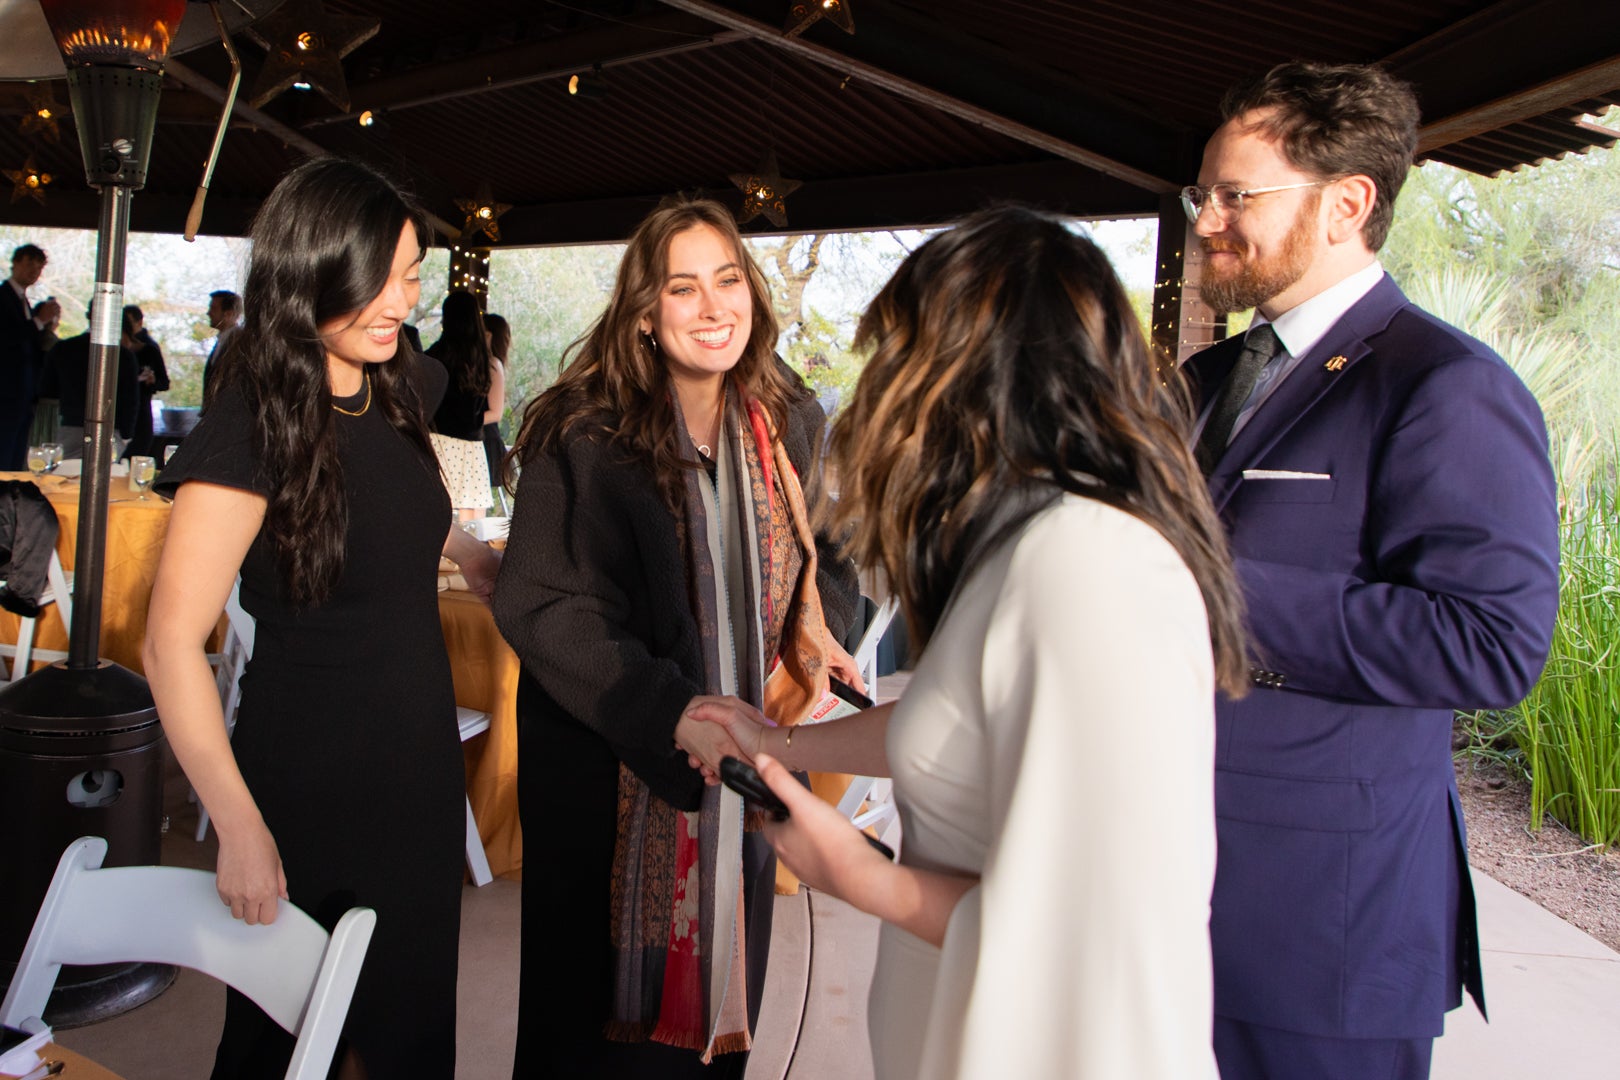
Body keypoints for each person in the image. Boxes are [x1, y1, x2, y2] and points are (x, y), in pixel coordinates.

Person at [694, 206, 1247, 1079]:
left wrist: (863, 875)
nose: (879, 388)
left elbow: (1096, 932)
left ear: (976, 371)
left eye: (901, 352)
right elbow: (956, 721)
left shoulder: (1092, 566)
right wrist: (776, 742)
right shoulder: (1026, 539)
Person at [1180, 62, 1559, 1079]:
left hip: (1324, 929)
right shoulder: (1202, 382)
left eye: (1235, 196)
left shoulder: (1444, 386)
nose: (1207, 219)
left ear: (1347, 204)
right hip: (1172, 896)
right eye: (1202, 194)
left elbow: (1490, 646)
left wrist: (1201, 593)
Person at [143, 157, 501, 1078]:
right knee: (293, 1035)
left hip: (416, 762)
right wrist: (239, 826)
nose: (401, 299)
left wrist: (468, 552)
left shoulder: (397, 384)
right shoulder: (250, 425)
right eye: (378, 278)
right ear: (311, 273)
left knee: (411, 1025)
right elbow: (171, 643)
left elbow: (389, 506)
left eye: (413, 273)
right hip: (310, 776)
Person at [491, 196, 862, 1079]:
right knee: (595, 1044)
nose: (713, 308)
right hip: (609, 780)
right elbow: (544, 603)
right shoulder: (580, 429)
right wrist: (673, 713)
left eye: (727, 281)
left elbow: (834, 560)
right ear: (646, 314)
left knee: (715, 1038)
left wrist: (817, 637)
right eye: (683, 289)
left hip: (747, 771)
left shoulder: (790, 419)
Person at [425, 290, 494, 519]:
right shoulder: (483, 359)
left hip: (437, 441)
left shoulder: (433, 356)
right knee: (472, 521)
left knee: (439, 517)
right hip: (470, 444)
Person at [39, 304, 140, 458]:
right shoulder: (123, 355)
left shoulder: (62, 348)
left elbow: (48, 389)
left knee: (64, 477)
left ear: (88, 316)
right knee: (102, 478)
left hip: (71, 425)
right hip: (110, 429)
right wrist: (127, 435)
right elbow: (130, 400)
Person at [2, 244, 61, 469]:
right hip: (5, 392)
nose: (33, 270)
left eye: (39, 267)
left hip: (24, 394)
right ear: (16, 263)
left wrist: (47, 328)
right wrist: (38, 321)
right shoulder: (3, 296)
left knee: (17, 457)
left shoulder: (24, 301)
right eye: (29, 264)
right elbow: (7, 339)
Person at [123, 304, 170, 457]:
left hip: (141, 412)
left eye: (129, 323)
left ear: (139, 323)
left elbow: (164, 382)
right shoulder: (115, 351)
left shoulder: (149, 349)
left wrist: (152, 381)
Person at [481, 311, 510, 495]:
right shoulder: (482, 364)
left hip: (485, 438)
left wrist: (464, 422)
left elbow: (496, 412)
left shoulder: (494, 365)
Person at [201, 288, 241, 404]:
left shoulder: (239, 345)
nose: (208, 313)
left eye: (213, 308)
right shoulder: (222, 342)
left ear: (229, 314)